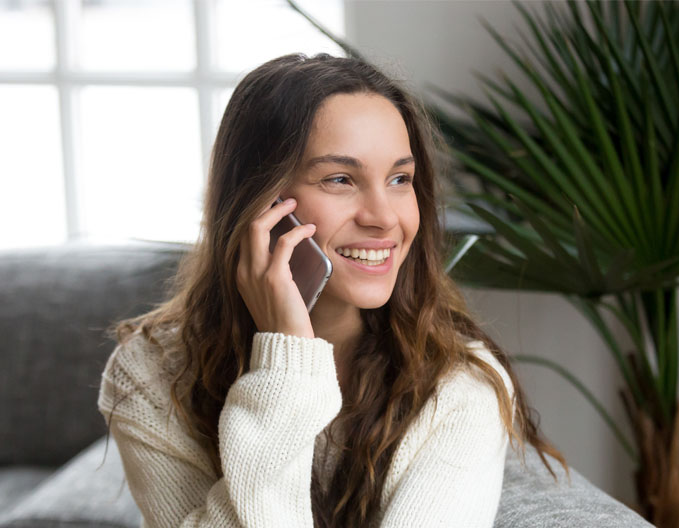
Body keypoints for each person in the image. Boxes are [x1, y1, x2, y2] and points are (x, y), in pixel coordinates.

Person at [97, 52, 569, 528]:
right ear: (260, 202)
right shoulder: (150, 373)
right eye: (340, 179)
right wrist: (286, 362)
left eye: (400, 179)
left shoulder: (460, 387)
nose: (384, 217)